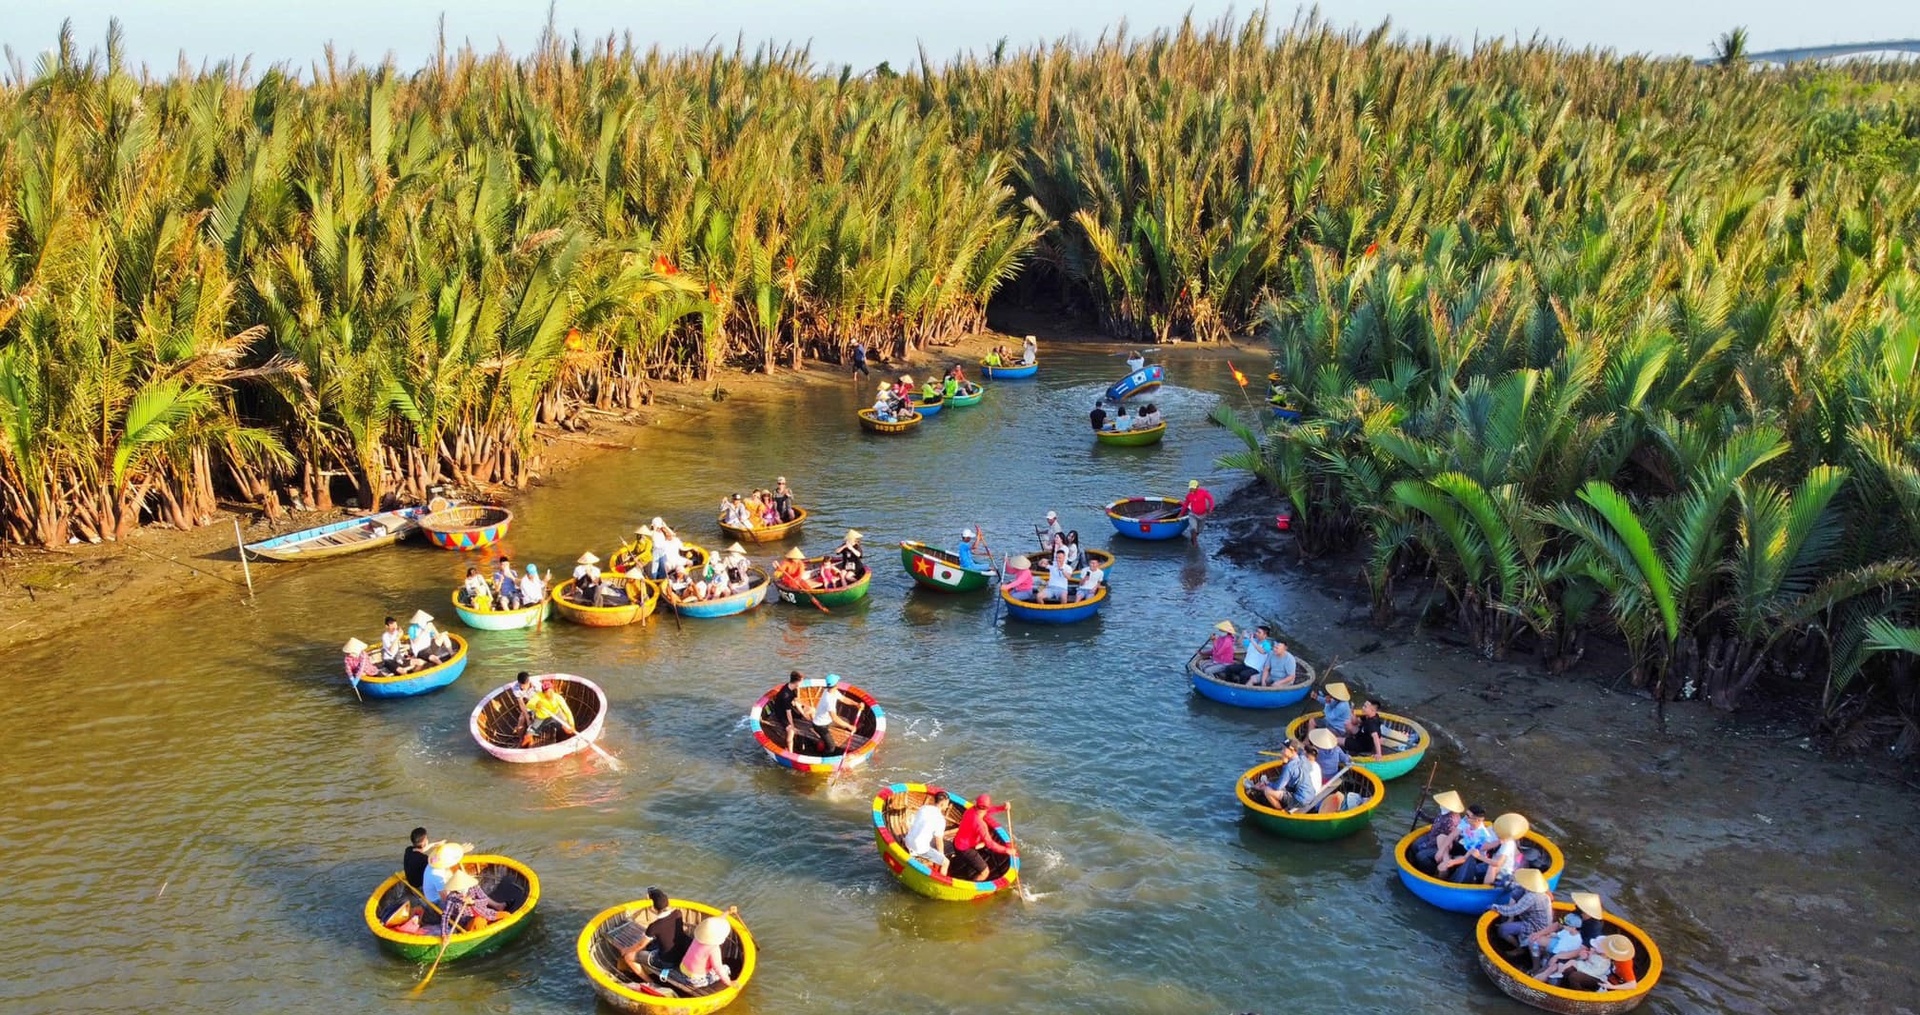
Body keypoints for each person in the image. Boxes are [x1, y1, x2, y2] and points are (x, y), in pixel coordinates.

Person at [617, 887, 688, 978]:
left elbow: (640, 945)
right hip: (681, 955)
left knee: (628, 957)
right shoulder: (678, 913)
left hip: (667, 962)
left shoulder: (654, 927)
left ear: (654, 907)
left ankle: (649, 982)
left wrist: (626, 950)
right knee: (651, 944)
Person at [951, 793, 1013, 881]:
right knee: (985, 872)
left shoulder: (970, 810)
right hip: (965, 849)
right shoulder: (980, 825)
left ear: (976, 804)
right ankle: (972, 887)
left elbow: (987, 810)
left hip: (956, 843)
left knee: (980, 845)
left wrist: (1002, 808)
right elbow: (990, 844)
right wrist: (1006, 850)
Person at [666, 916, 736, 992]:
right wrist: (729, 982)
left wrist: (727, 912)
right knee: (726, 968)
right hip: (695, 980)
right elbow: (718, 968)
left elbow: (712, 924)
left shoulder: (697, 939)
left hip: (683, 968)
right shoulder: (714, 949)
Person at [1457, 812, 1528, 885]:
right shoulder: (1491, 830)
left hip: (1502, 870)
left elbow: (1498, 863)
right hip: (1487, 861)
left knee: (1492, 867)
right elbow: (1481, 845)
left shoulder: (1508, 844)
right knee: (1469, 864)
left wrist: (1479, 856)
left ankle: (1485, 890)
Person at [1247, 740, 1317, 811]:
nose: (1282, 752)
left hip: (1301, 800)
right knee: (1280, 783)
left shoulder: (1289, 767)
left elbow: (1277, 787)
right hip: (1311, 795)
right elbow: (1309, 769)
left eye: (1284, 749)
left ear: (1292, 750)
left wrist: (1266, 785)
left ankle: (1281, 811)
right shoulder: (1303, 759)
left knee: (1268, 791)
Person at [1493, 867, 1554, 948]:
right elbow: (1517, 886)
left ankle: (1518, 947)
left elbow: (1513, 910)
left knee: (1503, 929)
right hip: (1535, 919)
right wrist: (1505, 883)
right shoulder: (1539, 889)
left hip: (1536, 926)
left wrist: (1495, 907)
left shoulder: (1532, 896)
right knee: (1516, 893)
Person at [1411, 790, 1468, 871]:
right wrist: (1422, 815)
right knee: (1415, 845)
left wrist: (1426, 845)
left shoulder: (1450, 821)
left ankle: (1430, 870)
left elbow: (1443, 839)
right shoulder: (1443, 813)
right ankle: (1414, 864)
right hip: (1432, 836)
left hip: (1439, 844)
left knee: (1421, 855)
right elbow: (1435, 821)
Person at [1436, 804, 1491, 880]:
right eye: (1466, 814)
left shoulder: (1483, 835)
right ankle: (1446, 858)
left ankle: (1444, 878)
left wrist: (1451, 863)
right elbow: (1452, 835)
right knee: (1441, 837)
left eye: (1468, 816)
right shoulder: (1465, 821)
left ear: (1477, 820)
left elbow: (1468, 856)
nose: (1465, 817)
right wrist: (1441, 851)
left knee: (1443, 867)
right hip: (1464, 847)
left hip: (1473, 856)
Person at [904, 790, 953, 874]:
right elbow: (939, 842)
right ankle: (941, 882)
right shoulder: (940, 820)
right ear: (943, 803)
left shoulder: (924, 808)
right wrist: (942, 856)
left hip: (907, 841)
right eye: (947, 804)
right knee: (946, 862)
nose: (948, 806)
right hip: (919, 849)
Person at [524, 678, 577, 746]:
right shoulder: (538, 696)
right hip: (541, 718)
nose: (551, 694)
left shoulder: (558, 697)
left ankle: (574, 742)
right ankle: (525, 749)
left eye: (551, 691)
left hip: (556, 715)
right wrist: (536, 706)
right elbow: (528, 705)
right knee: (528, 736)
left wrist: (572, 725)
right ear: (544, 693)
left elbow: (567, 711)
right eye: (548, 692)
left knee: (569, 730)